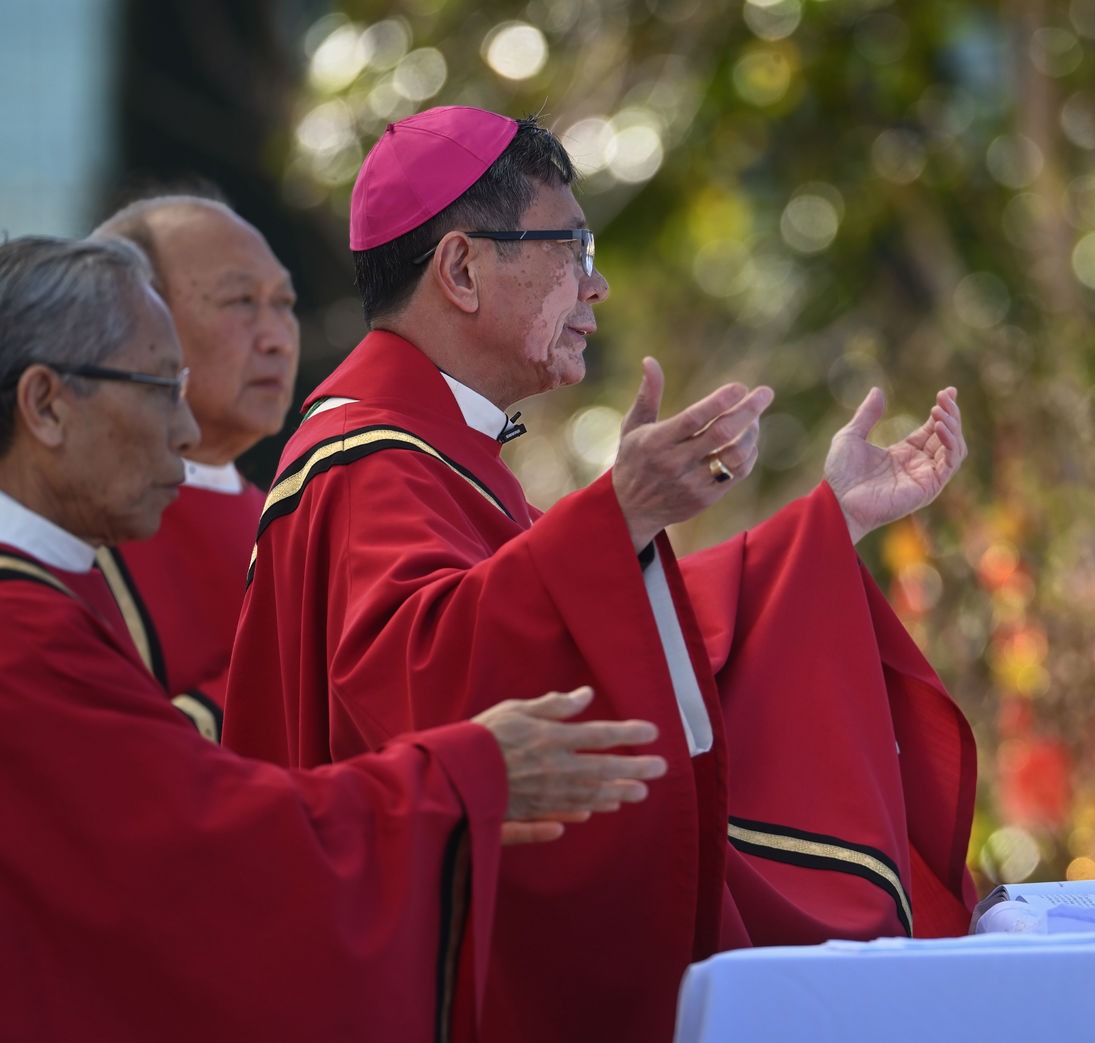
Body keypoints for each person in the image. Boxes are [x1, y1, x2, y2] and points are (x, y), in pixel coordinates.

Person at [222, 106, 978, 1042]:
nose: (598, 284)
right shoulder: (371, 456)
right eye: (571, 247)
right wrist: (618, 513)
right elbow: (426, 685)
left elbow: (585, 626)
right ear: (460, 269)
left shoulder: (430, 445)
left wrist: (825, 525)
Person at [0, 234, 668, 1042]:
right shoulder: (19, 633)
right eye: (155, 388)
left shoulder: (47, 594)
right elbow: (208, 847)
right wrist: (464, 777)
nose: (183, 427)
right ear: (43, 405)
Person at [84, 194, 297, 738]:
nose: (277, 339)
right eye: (241, 302)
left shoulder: (291, 520)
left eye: (285, 303)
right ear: (135, 319)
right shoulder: (72, 524)